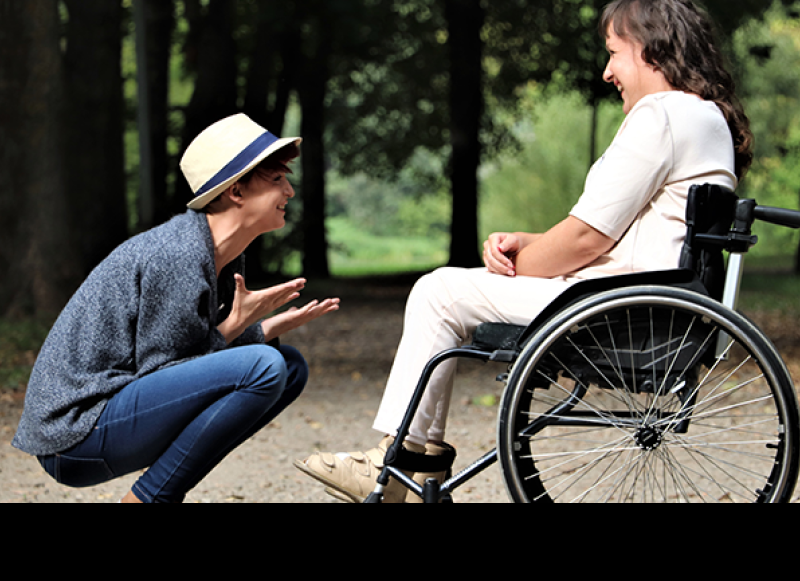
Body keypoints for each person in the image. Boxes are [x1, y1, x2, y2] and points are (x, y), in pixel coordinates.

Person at [296, 0, 753, 503]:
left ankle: (402, 465)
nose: (606, 72)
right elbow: (619, 231)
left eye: (613, 53)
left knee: (439, 291)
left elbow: (586, 239)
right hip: (652, 301)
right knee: (449, 290)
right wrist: (530, 244)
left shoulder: (660, 115)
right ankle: (410, 460)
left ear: (649, 50)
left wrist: (520, 267)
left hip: (618, 310)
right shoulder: (705, 117)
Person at [13, 114, 340, 503]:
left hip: (112, 418)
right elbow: (163, 372)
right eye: (276, 180)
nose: (289, 190)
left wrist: (256, 330)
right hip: (74, 435)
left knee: (288, 367)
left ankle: (158, 493)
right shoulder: (178, 254)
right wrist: (237, 327)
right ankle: (150, 499)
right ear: (236, 191)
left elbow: (187, 362)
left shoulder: (219, 255)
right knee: (265, 367)